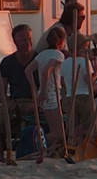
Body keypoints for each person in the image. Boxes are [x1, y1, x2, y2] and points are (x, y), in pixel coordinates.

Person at [25, 26, 70, 159]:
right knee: (59, 132)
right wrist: (43, 91)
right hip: (51, 93)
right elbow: (46, 70)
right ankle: (34, 142)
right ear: (61, 42)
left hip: (45, 93)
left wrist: (35, 88)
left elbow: (27, 70)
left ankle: (51, 151)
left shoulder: (42, 54)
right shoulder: (59, 55)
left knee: (53, 128)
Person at [0, 24, 39, 130]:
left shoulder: (39, 60)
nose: (28, 43)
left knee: (33, 126)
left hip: (34, 101)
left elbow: (46, 88)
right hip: (15, 102)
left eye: (29, 39)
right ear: (15, 42)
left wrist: (36, 103)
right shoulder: (7, 62)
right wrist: (7, 102)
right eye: (23, 40)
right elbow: (1, 90)